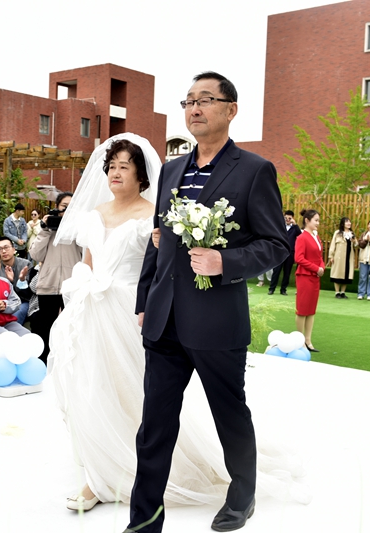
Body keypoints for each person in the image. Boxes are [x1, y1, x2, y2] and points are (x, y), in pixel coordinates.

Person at [128, 72, 291, 533]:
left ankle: (242, 496)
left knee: (229, 415)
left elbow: (276, 244)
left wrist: (225, 261)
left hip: (217, 320)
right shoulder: (171, 170)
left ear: (230, 109)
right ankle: (144, 520)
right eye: (188, 101)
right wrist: (145, 298)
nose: (194, 108)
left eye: (205, 100)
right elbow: (158, 240)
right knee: (155, 425)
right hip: (164, 318)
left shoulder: (254, 170)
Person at [28, 192, 81, 364]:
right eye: (64, 207)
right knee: (46, 330)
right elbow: (35, 254)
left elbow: (87, 253)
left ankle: (68, 365)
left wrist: (79, 228)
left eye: (71, 207)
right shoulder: (47, 229)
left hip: (72, 287)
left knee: (72, 329)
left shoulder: (79, 229)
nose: (67, 211)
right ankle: (44, 365)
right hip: (48, 285)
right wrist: (45, 229)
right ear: (57, 208)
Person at [294, 209, 324, 352]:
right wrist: (316, 268)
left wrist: (321, 267)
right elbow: (299, 258)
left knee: (311, 310)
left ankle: (308, 340)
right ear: (307, 220)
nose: (318, 223)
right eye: (315, 220)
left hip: (314, 277)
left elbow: (319, 256)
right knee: (302, 310)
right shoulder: (302, 237)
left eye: (318, 220)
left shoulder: (316, 236)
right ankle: (299, 340)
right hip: (305, 276)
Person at [0, 235, 33, 325]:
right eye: (0, 249)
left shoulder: (26, 264)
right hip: (2, 302)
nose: (4, 251)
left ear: (13, 249)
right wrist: (9, 282)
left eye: (6, 247)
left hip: (23, 301)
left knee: (16, 315)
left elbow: (29, 294)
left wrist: (21, 280)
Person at [267, 210, 300, 296]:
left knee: (287, 272)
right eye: (286, 218)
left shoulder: (294, 228)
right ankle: (271, 289)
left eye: (290, 218)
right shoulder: (280, 227)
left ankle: (283, 289)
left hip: (290, 253)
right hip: (280, 252)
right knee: (276, 271)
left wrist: (295, 224)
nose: (287, 220)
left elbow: (300, 235)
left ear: (292, 218)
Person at [328, 217, 356, 299]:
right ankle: (337, 292)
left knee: (346, 275)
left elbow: (356, 245)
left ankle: (343, 292)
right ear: (343, 224)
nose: (349, 223)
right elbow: (333, 244)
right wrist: (331, 256)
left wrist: (354, 241)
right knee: (337, 273)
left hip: (349, 257)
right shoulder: (337, 233)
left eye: (349, 222)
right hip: (339, 257)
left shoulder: (352, 233)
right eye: (347, 222)